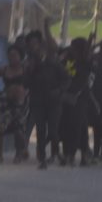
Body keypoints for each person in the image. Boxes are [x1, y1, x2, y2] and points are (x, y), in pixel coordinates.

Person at [25, 29, 69, 167]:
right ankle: (42, 158)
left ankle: (56, 153)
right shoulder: (30, 64)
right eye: (32, 46)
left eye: (37, 46)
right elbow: (26, 83)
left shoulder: (54, 63)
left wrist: (60, 90)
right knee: (40, 130)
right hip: (38, 102)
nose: (35, 49)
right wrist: (29, 71)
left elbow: (66, 79)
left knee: (54, 131)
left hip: (54, 102)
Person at [60, 37, 93, 167]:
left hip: (79, 98)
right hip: (66, 97)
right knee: (68, 126)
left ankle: (71, 155)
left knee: (76, 127)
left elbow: (84, 80)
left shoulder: (85, 62)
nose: (71, 49)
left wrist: (89, 42)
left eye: (74, 47)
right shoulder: (67, 59)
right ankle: (81, 152)